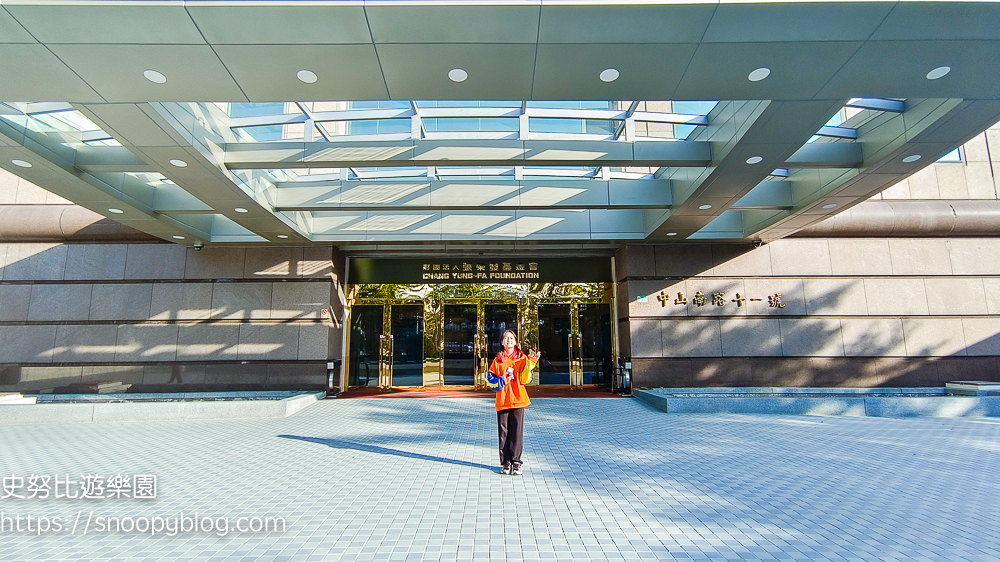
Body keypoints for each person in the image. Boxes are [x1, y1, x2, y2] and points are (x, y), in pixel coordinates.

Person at [485, 330, 540, 475]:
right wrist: (502, 380)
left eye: (511, 338)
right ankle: (505, 462)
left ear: (515, 341)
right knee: (503, 433)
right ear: (502, 342)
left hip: (518, 399)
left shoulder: (522, 358)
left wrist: (531, 363)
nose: (508, 340)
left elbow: (525, 379)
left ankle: (516, 461)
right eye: (505, 338)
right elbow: (490, 381)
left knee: (516, 432)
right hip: (503, 400)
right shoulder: (498, 360)